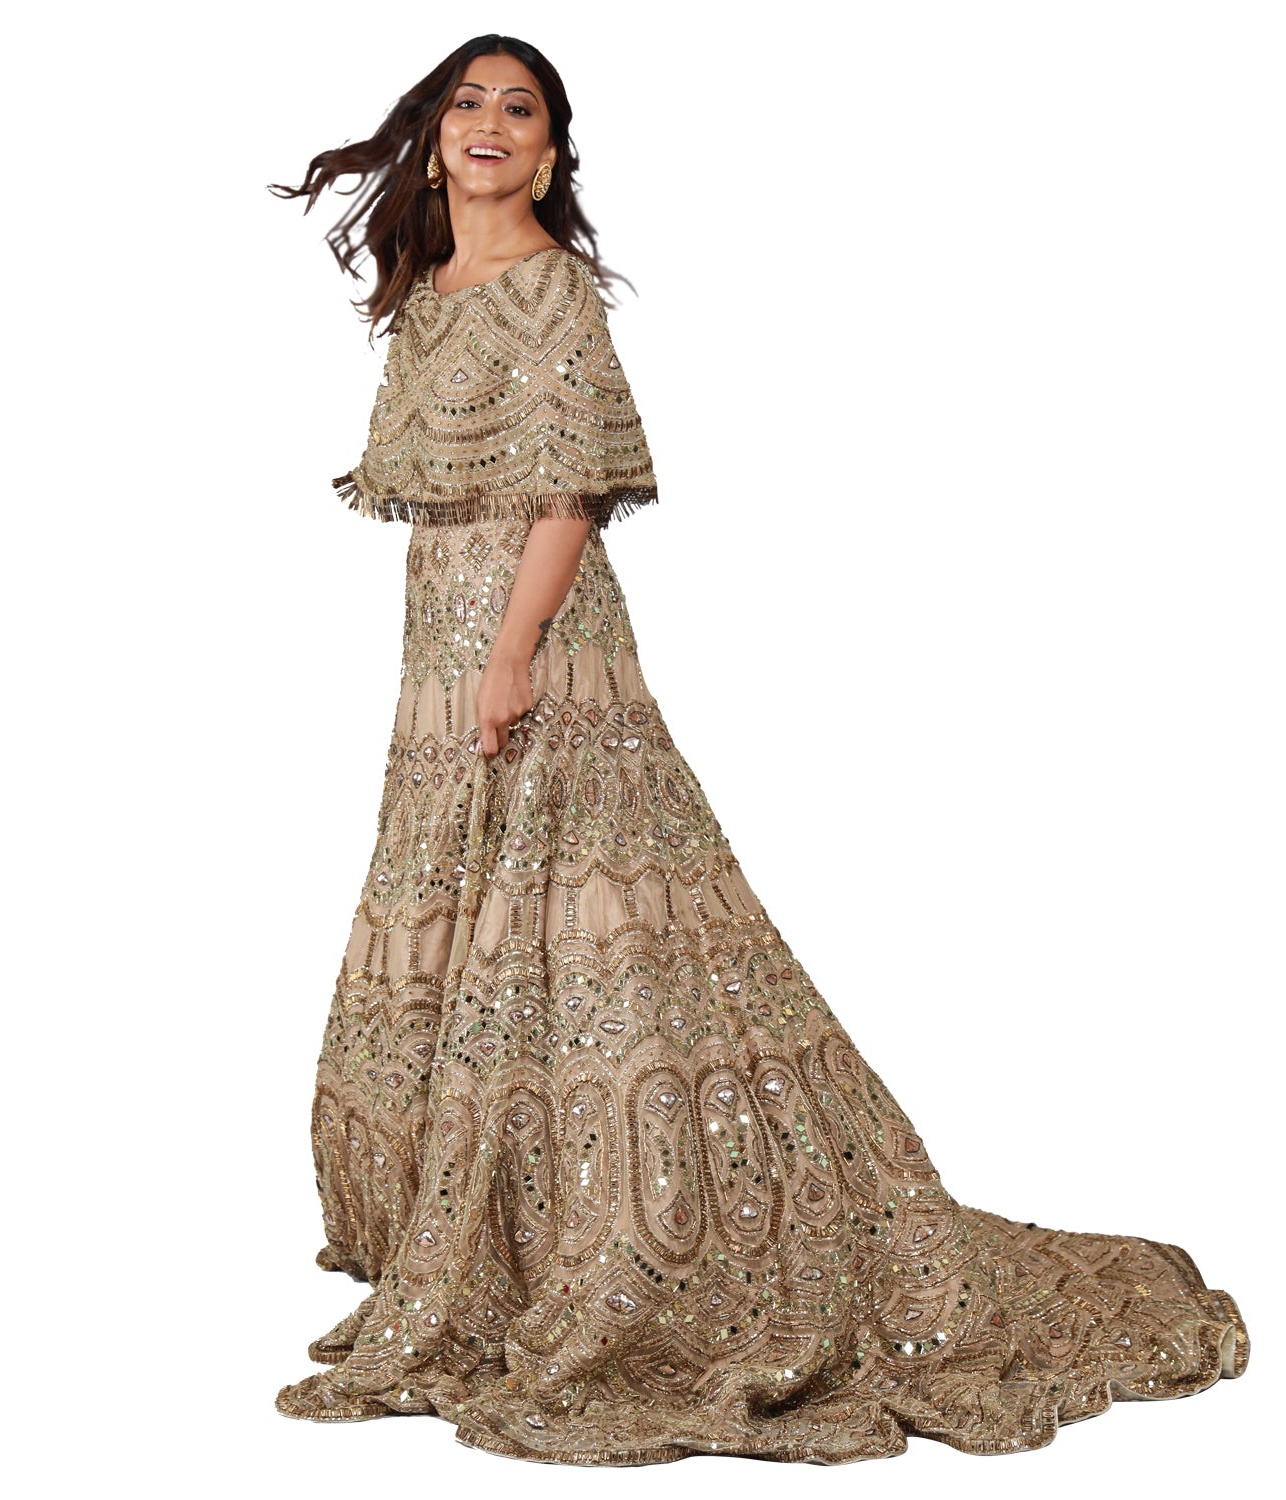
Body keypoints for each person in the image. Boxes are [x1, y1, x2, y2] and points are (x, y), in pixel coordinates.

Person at [266, 34, 1248, 1466]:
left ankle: (641, 1235)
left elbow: (570, 495)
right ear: (434, 142)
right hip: (439, 652)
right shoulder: (429, 299)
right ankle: (505, 1238)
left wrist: (516, 652)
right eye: (466, 103)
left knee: (585, 921)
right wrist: (463, 660)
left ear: (549, 152)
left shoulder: (549, 289)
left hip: (539, 646)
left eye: (518, 109)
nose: (488, 124)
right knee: (478, 920)